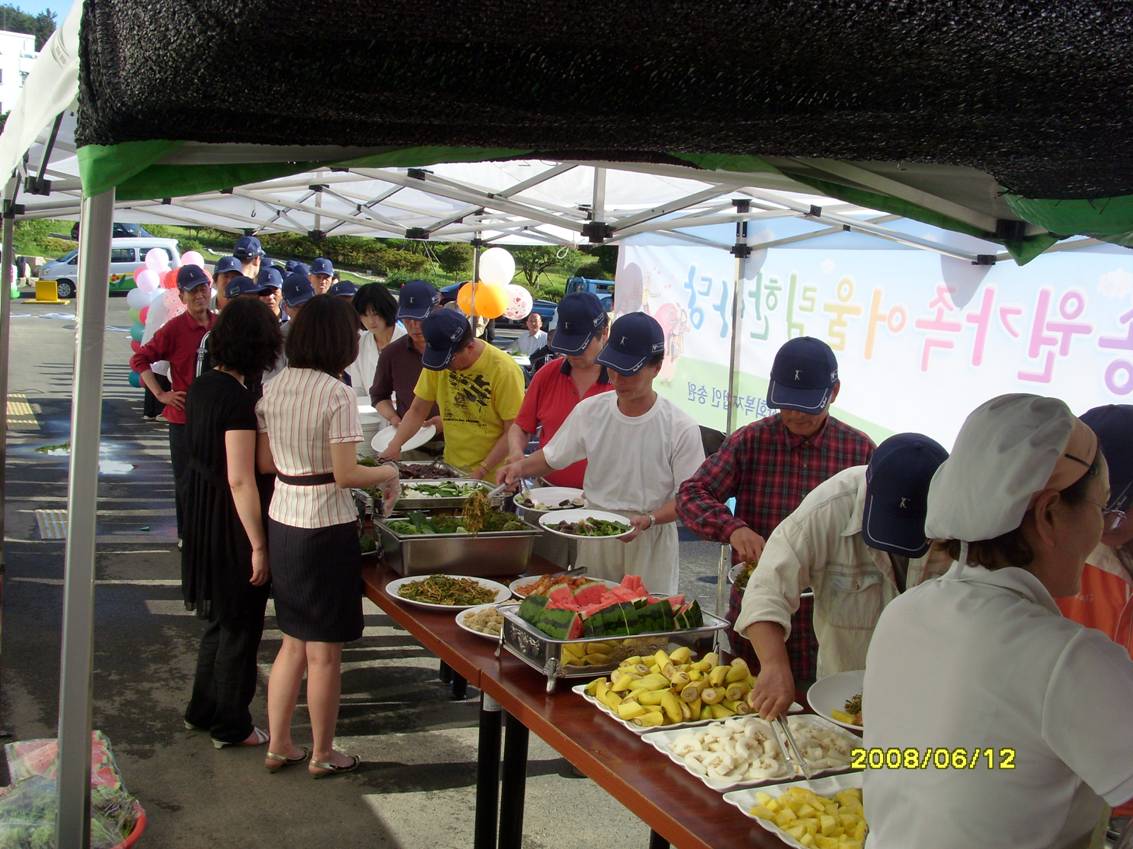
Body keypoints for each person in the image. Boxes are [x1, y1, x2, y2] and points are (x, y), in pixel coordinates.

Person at [862, 394, 1133, 849]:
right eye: (1101, 507)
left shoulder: (906, 611)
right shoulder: (1069, 659)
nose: (1102, 530)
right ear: (1049, 514)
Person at [256, 295, 400, 777]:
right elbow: (343, 474)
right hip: (323, 527)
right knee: (324, 655)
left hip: (284, 518)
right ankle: (322, 753)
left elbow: (264, 463)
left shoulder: (272, 387)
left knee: (291, 642)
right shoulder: (334, 392)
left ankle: (278, 745)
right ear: (339, 341)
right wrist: (387, 473)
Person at [676, 336, 874, 680]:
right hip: (757, 612)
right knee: (754, 716)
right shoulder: (751, 441)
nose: (794, 414)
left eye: (806, 405)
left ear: (834, 392)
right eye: (786, 404)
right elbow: (691, 494)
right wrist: (733, 528)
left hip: (830, 615)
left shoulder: (859, 452)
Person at [737, 433, 951, 719]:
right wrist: (774, 665)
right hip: (840, 700)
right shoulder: (828, 507)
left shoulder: (964, 527)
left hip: (933, 702)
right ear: (869, 491)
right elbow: (765, 589)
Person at [499, 312, 705, 594]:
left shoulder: (680, 427)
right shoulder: (591, 410)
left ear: (656, 367)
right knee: (591, 617)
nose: (618, 378)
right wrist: (518, 467)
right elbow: (552, 457)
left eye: (629, 371)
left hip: (650, 539)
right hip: (596, 530)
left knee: (643, 625)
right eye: (612, 367)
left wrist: (651, 519)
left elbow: (689, 498)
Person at [181, 298, 282, 750]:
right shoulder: (239, 400)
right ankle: (232, 725)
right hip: (231, 520)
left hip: (202, 514)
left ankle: (202, 711)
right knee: (241, 625)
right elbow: (243, 477)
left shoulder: (203, 386)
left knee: (219, 622)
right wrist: (259, 545)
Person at [1056, 405, 1133, 824]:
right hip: (1065, 791)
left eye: (1114, 511)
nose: (1100, 528)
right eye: (1093, 508)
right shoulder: (1061, 546)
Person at [130, 265, 217, 544]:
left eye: (203, 288)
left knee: (216, 479)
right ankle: (186, 535)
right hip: (183, 419)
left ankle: (209, 534)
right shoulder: (174, 329)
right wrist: (161, 394)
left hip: (216, 418)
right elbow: (140, 360)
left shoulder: (221, 326)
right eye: (192, 291)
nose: (199, 296)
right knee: (186, 480)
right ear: (181, 297)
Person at [380, 309, 524, 478]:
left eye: (450, 360)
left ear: (469, 346)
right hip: (452, 467)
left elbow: (513, 430)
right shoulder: (439, 364)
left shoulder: (504, 370)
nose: (445, 367)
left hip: (494, 474)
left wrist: (483, 469)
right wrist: (395, 445)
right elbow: (418, 410)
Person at [505, 293, 612, 488]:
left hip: (604, 501)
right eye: (567, 346)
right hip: (547, 493)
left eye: (581, 346)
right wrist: (516, 453)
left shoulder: (621, 383)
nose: (573, 354)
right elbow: (521, 426)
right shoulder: (548, 374)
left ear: (604, 333)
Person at [369, 280, 440, 430]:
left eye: (420, 318)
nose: (414, 326)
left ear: (436, 311)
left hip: (455, 442)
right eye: (407, 319)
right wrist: (394, 418)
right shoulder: (391, 353)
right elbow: (378, 396)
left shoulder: (455, 349)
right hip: (410, 442)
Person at [345, 283, 404, 400]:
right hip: (369, 412)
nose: (371, 321)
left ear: (386, 309)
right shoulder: (360, 343)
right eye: (364, 315)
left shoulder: (407, 341)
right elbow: (358, 389)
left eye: (375, 314)